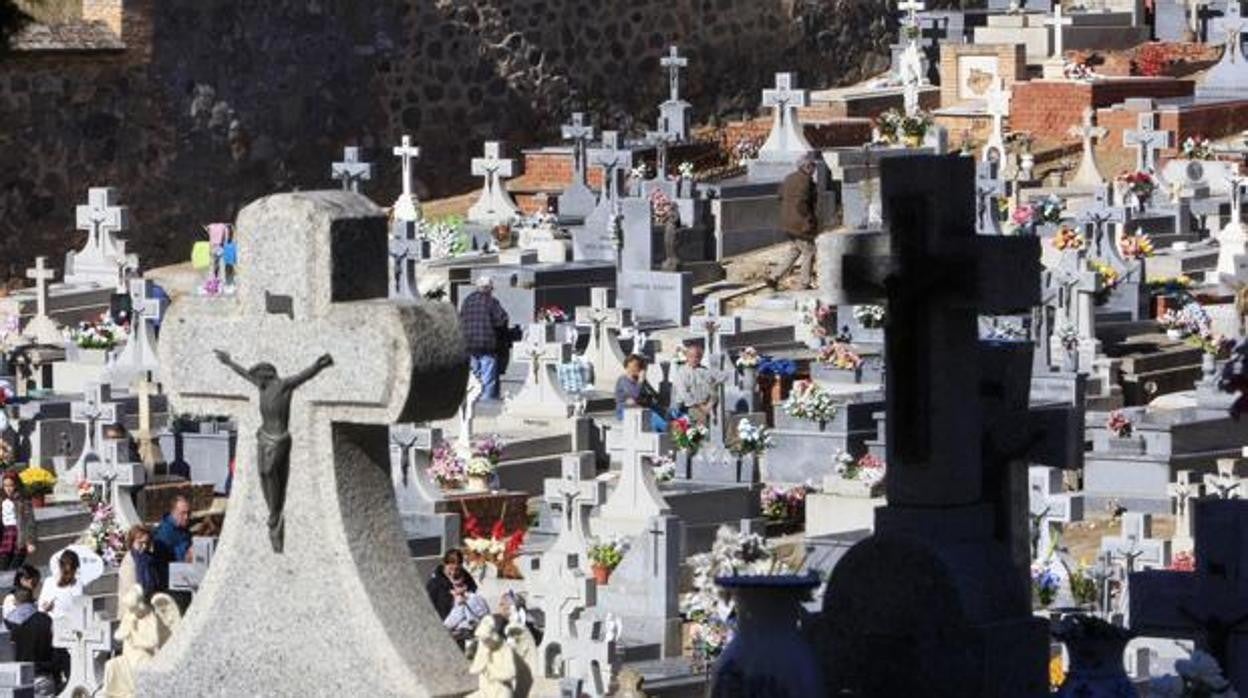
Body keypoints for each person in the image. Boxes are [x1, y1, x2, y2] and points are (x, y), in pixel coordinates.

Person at [767, 152, 821, 290]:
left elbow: (779, 195)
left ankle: (774, 277)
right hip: (800, 223)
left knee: (795, 250)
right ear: (807, 167)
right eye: (813, 166)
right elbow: (802, 204)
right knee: (810, 251)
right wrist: (808, 220)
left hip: (787, 222)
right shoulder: (806, 181)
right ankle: (804, 282)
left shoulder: (789, 177)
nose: (814, 169)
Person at [458, 276, 512, 400]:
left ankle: (473, 399)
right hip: (486, 343)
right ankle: (486, 401)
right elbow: (501, 320)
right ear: (489, 288)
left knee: (474, 374)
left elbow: (461, 319)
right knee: (488, 375)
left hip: (468, 343)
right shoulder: (491, 301)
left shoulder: (467, 300)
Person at [425, 550, 488, 643]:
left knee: (474, 599)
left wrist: (464, 594)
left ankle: (470, 627)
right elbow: (428, 605)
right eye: (451, 565)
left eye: (458, 566)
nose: (454, 569)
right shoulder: (435, 583)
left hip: (465, 620)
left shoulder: (466, 578)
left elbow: (473, 592)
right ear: (444, 564)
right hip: (446, 620)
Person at [5, 587, 58, 696]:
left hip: (18, 679)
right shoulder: (47, 620)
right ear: (33, 599)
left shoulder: (8, 623)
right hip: (43, 676)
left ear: (15, 601)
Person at [669, 343, 719, 425]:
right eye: (691, 356)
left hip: (706, 408)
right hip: (688, 408)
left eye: (697, 356)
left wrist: (710, 404)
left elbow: (713, 389)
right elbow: (684, 393)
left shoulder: (705, 371)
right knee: (696, 432)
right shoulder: (682, 372)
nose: (694, 359)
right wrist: (701, 407)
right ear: (687, 357)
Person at [614, 354, 664, 426]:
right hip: (625, 412)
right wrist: (640, 381)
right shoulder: (623, 380)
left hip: (640, 408)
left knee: (666, 413)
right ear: (628, 367)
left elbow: (653, 393)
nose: (638, 368)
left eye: (639, 366)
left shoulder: (638, 379)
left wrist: (656, 397)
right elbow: (635, 394)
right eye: (635, 366)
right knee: (659, 421)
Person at [0, 471, 36, 570]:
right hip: (5, 535)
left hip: (19, 535)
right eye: (5, 485)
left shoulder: (22, 499)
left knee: (14, 567)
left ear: (16, 484)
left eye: (11, 485)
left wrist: (30, 542)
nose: (8, 488)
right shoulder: (2, 499)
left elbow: (30, 521)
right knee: (2, 565)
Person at [37, 550, 84, 622]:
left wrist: (55, 608)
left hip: (66, 625)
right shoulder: (49, 581)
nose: (68, 575)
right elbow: (40, 606)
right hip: (48, 624)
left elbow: (77, 610)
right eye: (65, 571)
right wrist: (45, 607)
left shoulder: (77, 585)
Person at [118, 525, 161, 599]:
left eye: (147, 543)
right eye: (140, 543)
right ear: (132, 542)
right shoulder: (129, 561)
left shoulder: (149, 559)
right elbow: (128, 588)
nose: (144, 547)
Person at [153, 497, 193, 568]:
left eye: (188, 513)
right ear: (173, 512)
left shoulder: (184, 528)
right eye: (183, 513)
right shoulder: (164, 533)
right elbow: (162, 564)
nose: (186, 517)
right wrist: (186, 556)